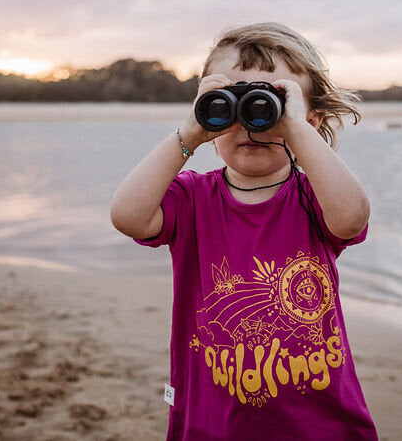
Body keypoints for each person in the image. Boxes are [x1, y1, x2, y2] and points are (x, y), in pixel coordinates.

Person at [110, 22, 378, 440]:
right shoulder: (192, 198)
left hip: (319, 426)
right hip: (213, 423)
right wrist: (190, 134)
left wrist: (297, 129)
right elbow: (128, 216)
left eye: (271, 103)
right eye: (234, 102)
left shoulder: (316, 198)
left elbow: (352, 217)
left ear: (308, 119)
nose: (252, 122)